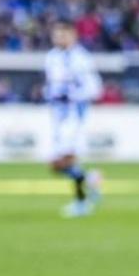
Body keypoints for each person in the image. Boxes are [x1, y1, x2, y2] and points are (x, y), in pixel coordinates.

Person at [44, 20, 102, 217]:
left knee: (67, 158)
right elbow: (52, 84)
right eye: (56, 34)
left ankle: (81, 202)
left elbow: (94, 88)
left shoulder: (81, 58)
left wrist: (73, 95)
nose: (59, 38)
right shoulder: (51, 57)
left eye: (63, 34)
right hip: (57, 114)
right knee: (55, 164)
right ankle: (90, 178)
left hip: (74, 115)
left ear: (73, 35)